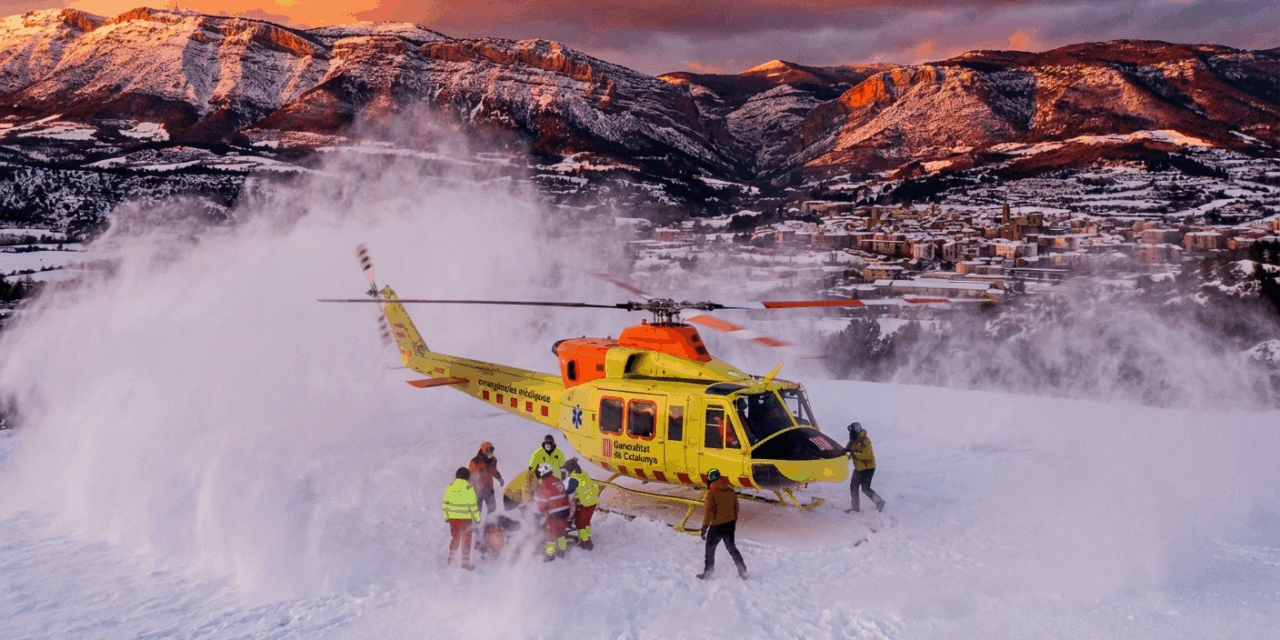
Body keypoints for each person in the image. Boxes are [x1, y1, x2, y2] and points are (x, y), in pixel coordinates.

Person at [697, 468, 748, 580]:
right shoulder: (730, 489)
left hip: (717, 526)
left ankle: (708, 573)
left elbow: (708, 512)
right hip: (730, 524)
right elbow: (736, 507)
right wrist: (733, 520)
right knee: (731, 547)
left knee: (710, 548)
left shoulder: (712, 492)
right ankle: (743, 570)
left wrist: (705, 528)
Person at [441, 467, 481, 569]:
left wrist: (446, 516)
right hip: (465, 519)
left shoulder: (450, 486)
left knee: (455, 538)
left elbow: (445, 503)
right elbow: (473, 505)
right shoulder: (469, 487)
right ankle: (465, 565)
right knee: (466, 541)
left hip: (452, 519)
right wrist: (477, 518)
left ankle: (450, 560)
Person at [533, 462, 571, 561]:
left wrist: (540, 510)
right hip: (565, 511)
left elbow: (542, 504)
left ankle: (549, 555)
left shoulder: (545, 485)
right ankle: (562, 551)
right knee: (562, 532)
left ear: (542, 474)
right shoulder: (558, 480)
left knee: (551, 535)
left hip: (554, 513)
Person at [845, 422, 885, 513]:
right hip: (859, 468)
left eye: (851, 432)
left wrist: (854, 452)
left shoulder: (866, 441)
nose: (850, 434)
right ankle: (855, 508)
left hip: (868, 468)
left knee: (865, 488)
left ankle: (879, 502)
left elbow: (866, 455)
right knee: (853, 487)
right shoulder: (853, 441)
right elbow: (847, 450)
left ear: (856, 431)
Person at [564, 458, 600, 551]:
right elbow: (582, 487)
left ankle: (587, 544)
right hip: (592, 500)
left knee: (580, 524)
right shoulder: (581, 473)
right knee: (585, 521)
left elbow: (570, 490)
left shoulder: (573, 478)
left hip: (587, 502)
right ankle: (587, 537)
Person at [468, 441, 505, 514]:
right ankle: (474, 524)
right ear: (483, 450)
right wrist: (469, 487)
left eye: (492, 450)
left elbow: (493, 470)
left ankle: (490, 523)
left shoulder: (493, 460)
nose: (491, 452)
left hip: (489, 489)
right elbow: (471, 475)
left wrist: (499, 478)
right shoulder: (475, 461)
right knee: (477, 510)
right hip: (478, 490)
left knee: (492, 509)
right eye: (488, 450)